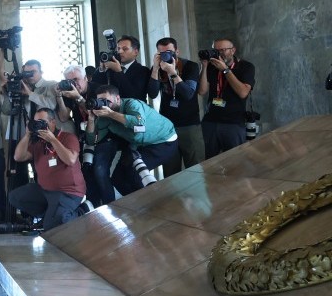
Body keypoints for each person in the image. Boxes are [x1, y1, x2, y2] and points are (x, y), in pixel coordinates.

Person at [88, 84, 178, 194]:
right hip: (138, 144)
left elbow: (139, 124)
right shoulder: (105, 116)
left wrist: (111, 114)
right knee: (118, 178)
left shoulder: (132, 104)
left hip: (163, 141)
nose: (102, 104)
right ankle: (137, 206)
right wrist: (91, 120)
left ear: (117, 98)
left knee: (136, 174)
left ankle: (151, 204)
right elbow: (92, 141)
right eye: (99, 101)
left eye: (105, 100)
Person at [9, 109, 85, 231]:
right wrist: (28, 134)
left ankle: (82, 211)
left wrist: (53, 140)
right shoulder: (37, 142)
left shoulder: (68, 137)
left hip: (68, 192)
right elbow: (18, 157)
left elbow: (70, 160)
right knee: (15, 197)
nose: (38, 125)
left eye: (41, 122)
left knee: (50, 228)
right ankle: (49, 215)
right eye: (35, 122)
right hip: (45, 191)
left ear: (52, 122)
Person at [148, 37, 203, 175]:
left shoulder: (190, 66)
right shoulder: (158, 68)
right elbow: (153, 94)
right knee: (170, 171)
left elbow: (188, 94)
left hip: (189, 125)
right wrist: (155, 69)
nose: (165, 56)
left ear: (177, 51)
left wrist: (173, 73)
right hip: (167, 127)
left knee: (196, 168)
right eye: (161, 53)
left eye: (169, 52)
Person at [197, 38, 256, 158]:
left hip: (233, 123)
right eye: (216, 50)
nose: (219, 54)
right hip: (210, 122)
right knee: (209, 163)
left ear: (233, 50)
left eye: (223, 50)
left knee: (235, 162)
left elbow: (243, 92)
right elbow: (202, 91)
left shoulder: (245, 67)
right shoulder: (211, 67)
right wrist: (204, 66)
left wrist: (225, 70)